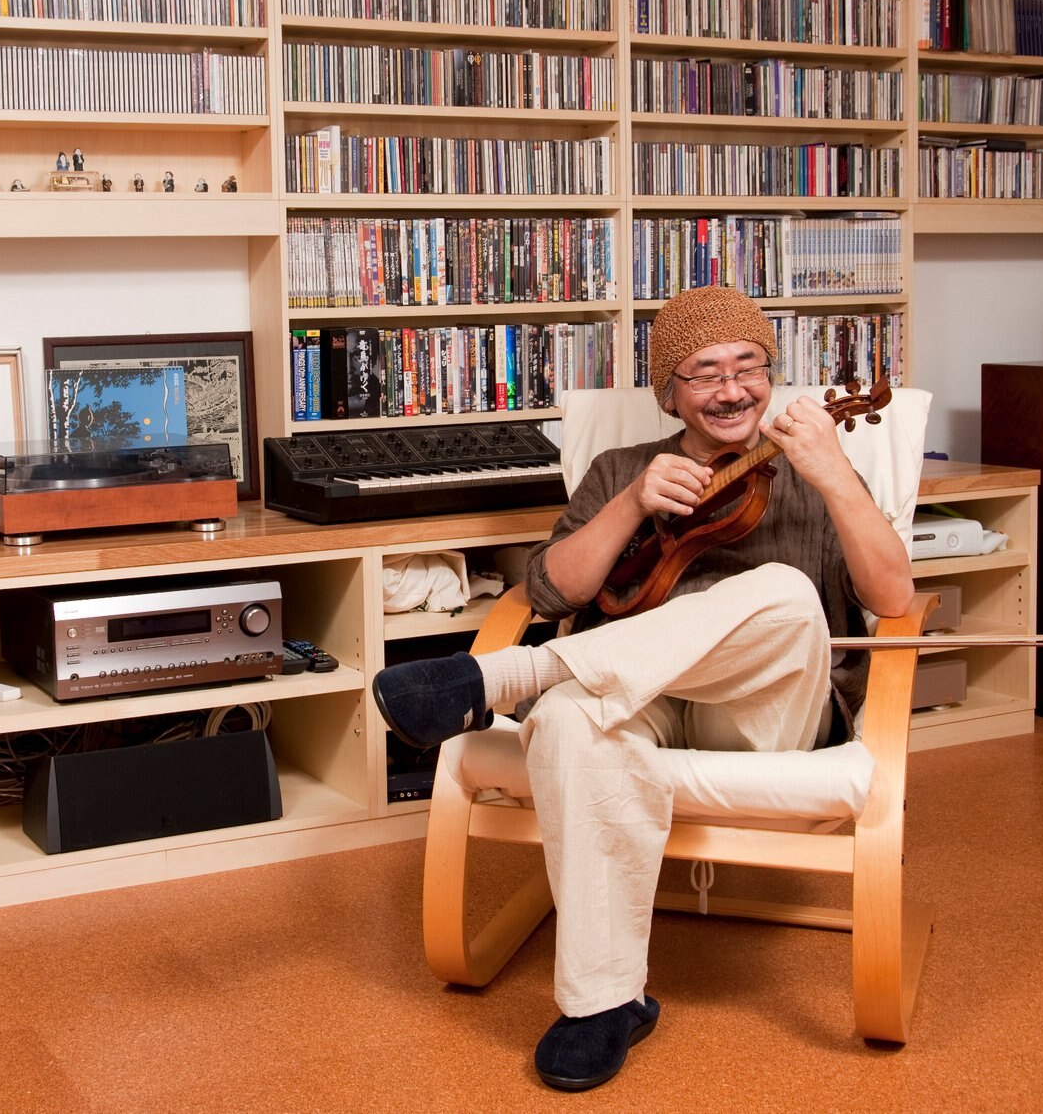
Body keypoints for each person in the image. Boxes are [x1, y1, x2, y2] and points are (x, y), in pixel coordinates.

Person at [373, 285, 913, 1092]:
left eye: (749, 366)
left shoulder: (815, 466)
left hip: (763, 710)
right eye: (704, 372)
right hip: (637, 695)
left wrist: (836, 476)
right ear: (668, 392)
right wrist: (631, 503)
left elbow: (896, 597)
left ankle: (504, 676)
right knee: (567, 720)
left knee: (786, 593)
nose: (732, 390)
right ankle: (603, 1002)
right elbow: (550, 591)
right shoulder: (624, 469)